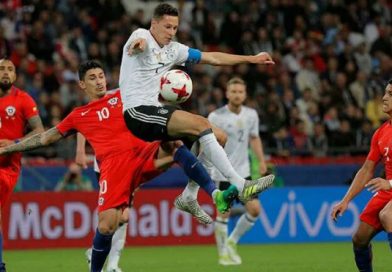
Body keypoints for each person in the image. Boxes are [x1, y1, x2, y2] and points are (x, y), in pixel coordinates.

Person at [0, 60, 238, 272]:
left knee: (174, 144)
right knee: (108, 225)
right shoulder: (78, 115)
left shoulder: (125, 95)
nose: (99, 81)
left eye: (101, 76)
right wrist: (8, 148)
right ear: (82, 85)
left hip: (144, 152)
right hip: (114, 169)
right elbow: (45, 138)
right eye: (92, 78)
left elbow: (156, 84)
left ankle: (214, 193)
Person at [119, 3, 275, 207]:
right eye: (167, 27)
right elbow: (139, 43)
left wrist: (251, 59)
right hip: (137, 112)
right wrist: (138, 45)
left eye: (175, 28)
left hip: (154, 110)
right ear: (154, 23)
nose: (171, 32)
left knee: (219, 136)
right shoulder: (142, 35)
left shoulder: (175, 50)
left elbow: (213, 58)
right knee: (202, 125)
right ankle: (240, 184)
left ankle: (194, 195)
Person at [331, 79, 392, 272]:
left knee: (388, 215)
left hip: (389, 186)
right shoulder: (381, 132)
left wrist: (390, 183)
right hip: (387, 189)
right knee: (359, 238)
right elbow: (366, 169)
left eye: (391, 94)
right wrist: (346, 200)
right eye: (386, 92)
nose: (384, 98)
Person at [208, 77, 268, 265]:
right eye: (233, 91)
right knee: (223, 212)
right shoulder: (215, 116)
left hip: (244, 171)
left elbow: (254, 138)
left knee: (255, 210)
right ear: (227, 94)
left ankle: (232, 242)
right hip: (223, 171)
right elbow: (208, 143)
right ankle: (223, 255)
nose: (237, 95)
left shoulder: (251, 115)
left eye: (240, 92)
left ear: (245, 94)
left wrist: (261, 160)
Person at [0, 58, 44, 272]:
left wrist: (14, 143)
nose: (6, 73)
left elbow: (40, 133)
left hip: (7, 167)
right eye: (1, 69)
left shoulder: (23, 99)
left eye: (10, 69)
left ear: (16, 75)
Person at [75, 133, 126, 272]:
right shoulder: (104, 112)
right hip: (108, 158)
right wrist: (80, 150)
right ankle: (109, 263)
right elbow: (82, 118)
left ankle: (110, 264)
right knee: (119, 214)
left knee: (124, 216)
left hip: (129, 155)